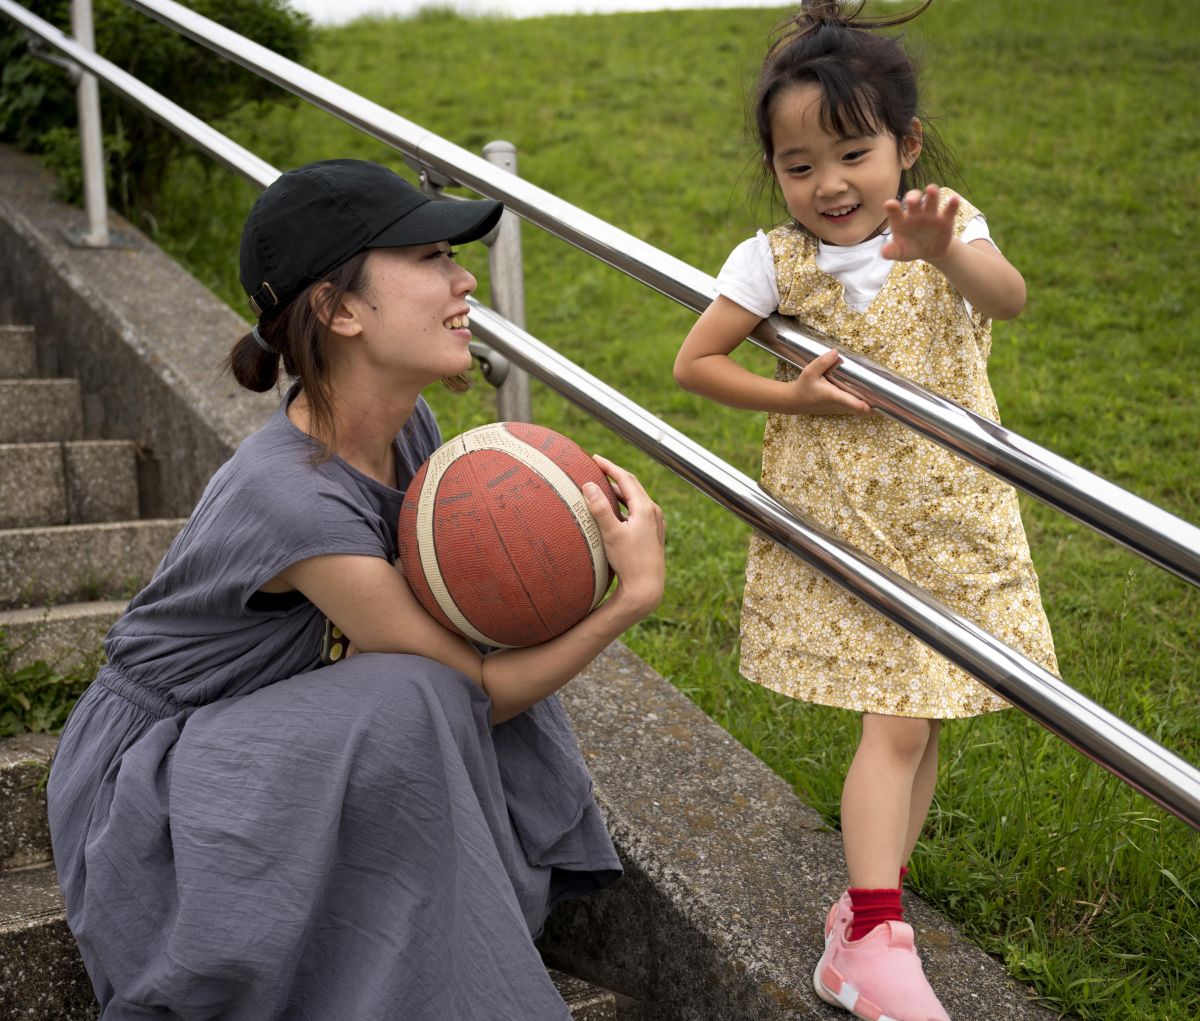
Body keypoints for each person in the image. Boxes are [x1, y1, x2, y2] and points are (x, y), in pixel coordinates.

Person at [47, 158, 666, 1020]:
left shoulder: (410, 428)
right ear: (338, 310)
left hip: (265, 724)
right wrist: (629, 599)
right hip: (152, 779)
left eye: (453, 256)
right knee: (418, 689)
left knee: (462, 636)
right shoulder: (290, 496)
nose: (463, 281)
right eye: (429, 258)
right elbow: (473, 691)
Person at [673, 3, 1057, 1018]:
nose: (830, 184)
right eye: (799, 165)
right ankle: (872, 939)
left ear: (907, 145)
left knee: (920, 720)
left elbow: (1007, 297)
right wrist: (794, 396)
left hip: (953, 520)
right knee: (895, 723)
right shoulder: (770, 259)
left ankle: (865, 911)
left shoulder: (947, 224)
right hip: (852, 525)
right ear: (774, 168)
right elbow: (696, 362)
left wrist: (943, 249)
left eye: (854, 154)